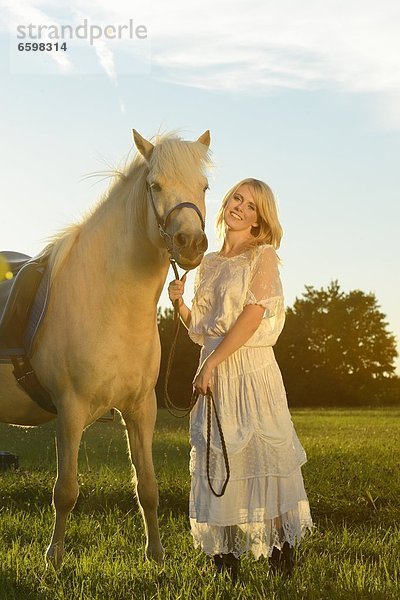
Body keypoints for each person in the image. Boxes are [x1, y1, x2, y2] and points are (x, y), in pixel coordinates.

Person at [168, 178, 313, 582]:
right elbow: (200, 325)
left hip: (250, 370)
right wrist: (179, 301)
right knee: (219, 456)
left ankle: (281, 554)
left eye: (251, 207)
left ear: (259, 220)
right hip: (214, 366)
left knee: (266, 457)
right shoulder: (209, 262)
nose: (239, 208)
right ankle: (225, 556)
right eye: (237, 198)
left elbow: (252, 317)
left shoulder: (262, 256)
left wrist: (212, 362)